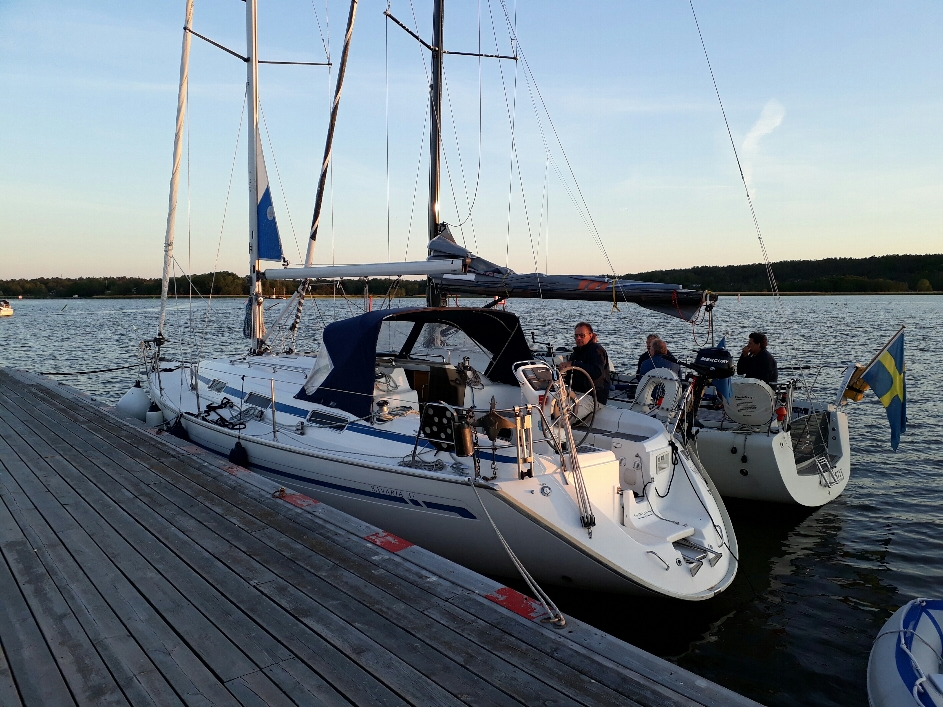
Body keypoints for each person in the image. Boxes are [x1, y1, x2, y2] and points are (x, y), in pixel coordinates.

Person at [559, 322, 610, 404]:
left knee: (567, 414)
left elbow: (596, 372)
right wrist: (564, 370)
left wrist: (574, 364)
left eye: (582, 335)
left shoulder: (597, 351)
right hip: (577, 393)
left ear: (590, 335)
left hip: (593, 397)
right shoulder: (577, 352)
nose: (578, 338)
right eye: (576, 336)